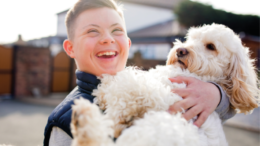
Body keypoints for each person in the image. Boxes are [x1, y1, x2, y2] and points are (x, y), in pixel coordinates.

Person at [43, 0, 235, 146]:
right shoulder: (65, 120)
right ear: (70, 48)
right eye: (92, 31)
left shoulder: (152, 83)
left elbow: (226, 109)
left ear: (127, 43)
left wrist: (215, 94)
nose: (107, 39)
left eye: (116, 30)